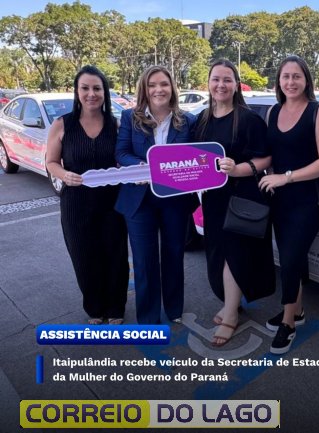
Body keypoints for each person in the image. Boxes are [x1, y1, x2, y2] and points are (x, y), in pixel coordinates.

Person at [192, 59, 275, 346]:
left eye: (227, 80)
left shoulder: (248, 119)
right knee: (217, 253)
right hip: (214, 198)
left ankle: (230, 314)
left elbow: (266, 158)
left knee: (234, 255)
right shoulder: (202, 119)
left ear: (236, 85)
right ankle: (231, 301)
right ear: (208, 83)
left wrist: (239, 169)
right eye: (216, 79)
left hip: (242, 196)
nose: (221, 85)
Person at [258, 55, 319, 354]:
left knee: (290, 260)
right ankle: (298, 310)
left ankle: (288, 322)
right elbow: (270, 155)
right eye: (285, 76)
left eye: (296, 76)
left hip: (307, 198)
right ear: (278, 81)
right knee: (294, 258)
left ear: (306, 80)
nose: (290, 82)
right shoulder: (273, 111)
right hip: (279, 198)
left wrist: (286, 177)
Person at [45, 65, 129, 325]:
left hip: (112, 203)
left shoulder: (115, 124)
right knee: (84, 257)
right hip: (76, 203)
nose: (91, 94)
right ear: (77, 91)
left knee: (115, 256)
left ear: (105, 92)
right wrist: (64, 174)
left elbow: (123, 159)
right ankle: (95, 307)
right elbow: (50, 162)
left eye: (97, 88)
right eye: (85, 88)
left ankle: (115, 308)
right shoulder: (62, 125)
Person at [115, 65, 198, 324]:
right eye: (152, 85)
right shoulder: (129, 117)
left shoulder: (187, 121)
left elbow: (197, 157)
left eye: (163, 84)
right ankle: (149, 317)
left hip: (175, 199)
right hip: (139, 200)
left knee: (174, 254)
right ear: (144, 89)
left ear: (172, 87)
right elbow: (121, 152)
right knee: (143, 260)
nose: (158, 90)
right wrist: (139, 166)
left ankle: (174, 309)